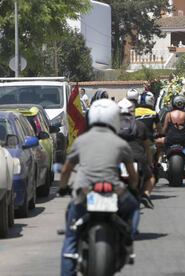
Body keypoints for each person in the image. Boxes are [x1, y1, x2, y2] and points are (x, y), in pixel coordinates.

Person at [59, 99, 140, 276]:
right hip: (115, 190)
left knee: (71, 236)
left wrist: (62, 188)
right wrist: (133, 188)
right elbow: (133, 176)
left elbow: (66, 170)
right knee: (134, 207)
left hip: (84, 191)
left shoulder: (81, 141)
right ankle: (128, 239)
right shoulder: (121, 143)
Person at [118, 98, 154, 209]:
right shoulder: (140, 125)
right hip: (138, 157)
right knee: (151, 177)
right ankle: (145, 194)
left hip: (118, 158)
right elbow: (147, 146)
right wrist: (149, 162)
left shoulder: (113, 125)